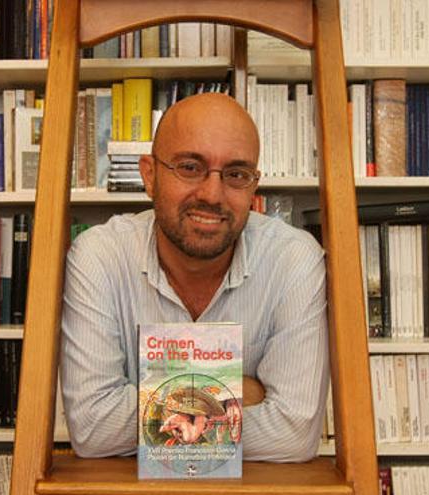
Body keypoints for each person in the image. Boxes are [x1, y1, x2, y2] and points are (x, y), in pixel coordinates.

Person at [60, 92, 329, 462]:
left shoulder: (294, 259)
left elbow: (294, 434)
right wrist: (241, 391)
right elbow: (94, 429)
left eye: (236, 174)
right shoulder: (99, 256)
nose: (212, 194)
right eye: (189, 167)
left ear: (253, 185)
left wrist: (152, 401)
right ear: (150, 175)